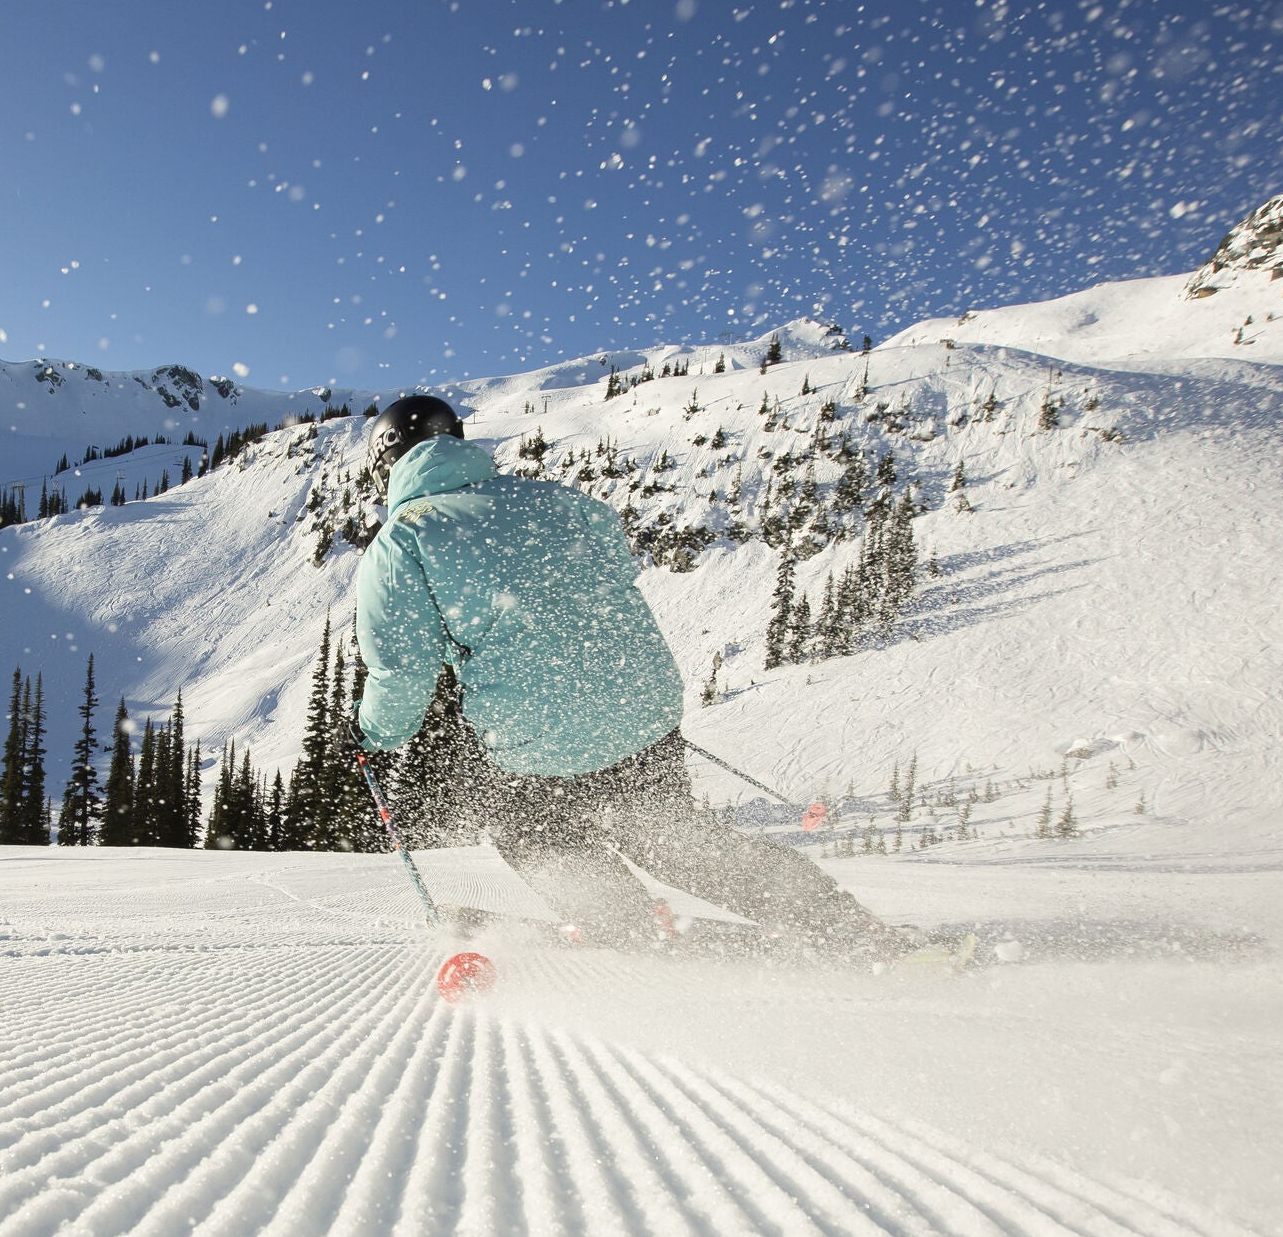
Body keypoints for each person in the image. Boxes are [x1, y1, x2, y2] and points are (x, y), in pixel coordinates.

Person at [350, 394, 904, 963]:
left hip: (537, 729)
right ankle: (832, 920)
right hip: (641, 702)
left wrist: (374, 733)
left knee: (536, 834)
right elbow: (612, 576)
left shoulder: (404, 538)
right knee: (672, 840)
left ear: (386, 461)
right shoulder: (557, 499)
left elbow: (403, 666)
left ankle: (624, 921)